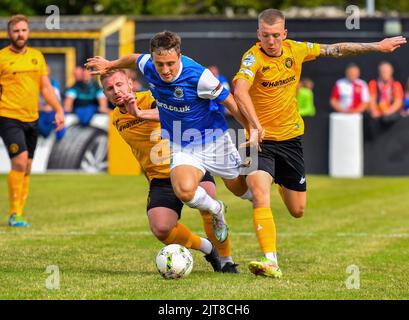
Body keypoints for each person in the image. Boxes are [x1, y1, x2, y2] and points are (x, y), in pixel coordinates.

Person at [233, 8, 406, 278]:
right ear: (258, 34)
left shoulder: (296, 50)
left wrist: (377, 46)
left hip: (291, 141)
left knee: (297, 210)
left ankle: (273, 181)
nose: (271, 41)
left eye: (276, 35)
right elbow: (240, 90)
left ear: (285, 34)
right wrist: (255, 125)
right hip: (262, 140)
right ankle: (271, 261)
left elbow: (336, 49)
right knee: (258, 191)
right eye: (266, 35)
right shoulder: (252, 58)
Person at [85, 31, 254, 244]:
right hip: (176, 154)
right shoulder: (124, 104)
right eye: (159, 64)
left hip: (211, 138)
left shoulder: (192, 79)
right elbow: (134, 58)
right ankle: (215, 224)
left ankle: (264, 190)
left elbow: (228, 101)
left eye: (170, 63)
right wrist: (111, 64)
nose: (165, 70)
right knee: (176, 206)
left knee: (242, 190)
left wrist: (250, 128)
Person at [101, 69, 238, 273]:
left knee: (208, 200)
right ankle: (208, 249)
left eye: (119, 84)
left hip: (188, 163)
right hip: (161, 178)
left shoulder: (151, 98)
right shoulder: (116, 118)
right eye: (109, 88)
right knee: (161, 228)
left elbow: (170, 112)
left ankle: (226, 261)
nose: (116, 91)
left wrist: (138, 113)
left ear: (131, 84)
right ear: (105, 94)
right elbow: (140, 152)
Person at [0, 15, 64, 227]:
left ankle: (18, 212)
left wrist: (58, 109)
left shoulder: (37, 56)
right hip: (8, 116)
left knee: (26, 167)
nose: (20, 34)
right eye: (16, 30)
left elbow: (45, 87)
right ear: (9, 34)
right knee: (19, 162)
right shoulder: (2, 58)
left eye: (23, 30)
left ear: (28, 32)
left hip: (32, 118)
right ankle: (13, 214)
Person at [38, 64, 66, 140]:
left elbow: (58, 101)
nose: (45, 72)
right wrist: (43, 108)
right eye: (44, 70)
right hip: (39, 111)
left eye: (47, 70)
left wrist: (53, 107)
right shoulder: (34, 84)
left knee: (59, 116)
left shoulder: (54, 84)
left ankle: (60, 138)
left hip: (51, 110)